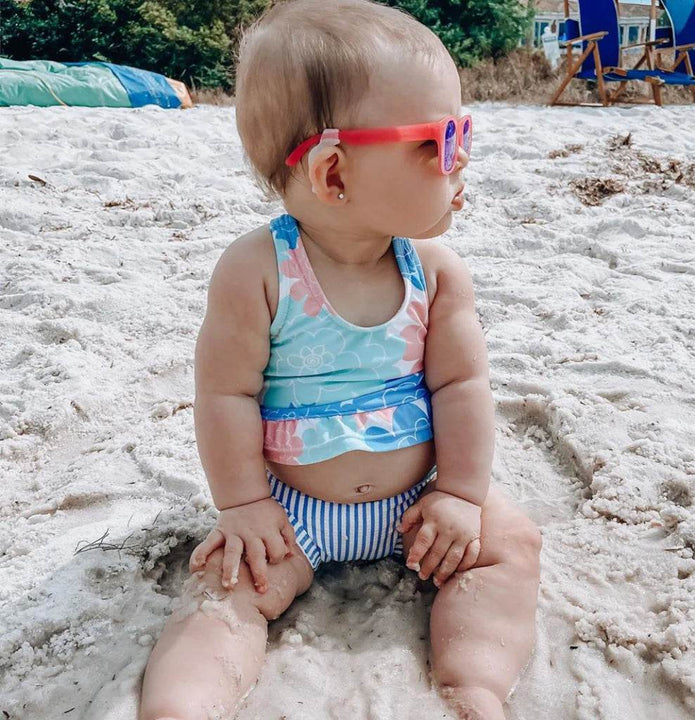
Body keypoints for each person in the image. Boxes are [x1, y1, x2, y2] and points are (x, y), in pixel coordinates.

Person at [139, 1, 542, 718]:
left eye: (464, 132)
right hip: (294, 513)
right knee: (224, 589)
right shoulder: (258, 270)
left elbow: (461, 384)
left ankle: (476, 681)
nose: (462, 158)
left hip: (417, 503)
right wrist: (245, 506)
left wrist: (459, 494)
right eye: (441, 140)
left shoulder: (434, 272)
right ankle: (182, 706)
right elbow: (226, 394)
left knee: (508, 543)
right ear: (333, 173)